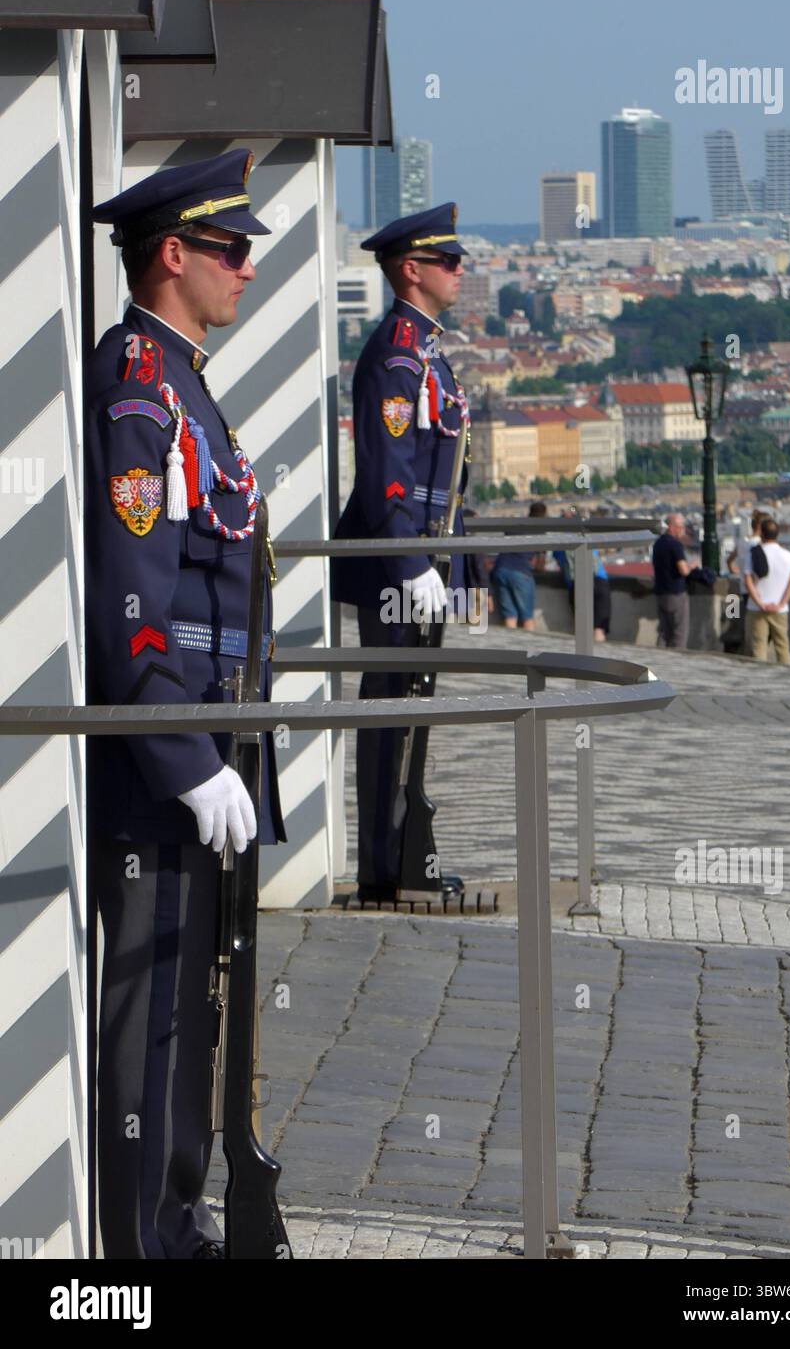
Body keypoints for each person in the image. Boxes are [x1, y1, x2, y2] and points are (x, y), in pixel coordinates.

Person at [87, 149, 285, 1259]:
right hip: (171, 763)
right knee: (153, 1014)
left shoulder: (184, 378)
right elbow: (134, 606)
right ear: (174, 255)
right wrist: (183, 755)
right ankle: (143, 1254)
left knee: (195, 1010)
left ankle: (180, 1220)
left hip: (215, 743)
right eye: (230, 248)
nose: (248, 267)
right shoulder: (139, 388)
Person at [331, 203, 470, 903]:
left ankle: (398, 852)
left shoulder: (425, 352)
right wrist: (411, 564)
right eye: (447, 261)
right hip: (402, 561)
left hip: (424, 556)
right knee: (390, 705)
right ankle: (384, 864)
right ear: (411, 271)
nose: (459, 270)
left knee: (409, 703)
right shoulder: (396, 355)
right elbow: (387, 470)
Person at [743, 517, 790, 664]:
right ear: (777, 534)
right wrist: (782, 603)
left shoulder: (753, 554)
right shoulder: (789, 556)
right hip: (779, 609)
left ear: (761, 534)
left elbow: (748, 580)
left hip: (756, 608)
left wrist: (759, 602)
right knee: (782, 646)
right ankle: (786, 676)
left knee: (758, 646)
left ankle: (760, 677)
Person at [491, 500, 547, 630]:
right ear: (544, 515)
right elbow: (540, 564)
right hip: (520, 573)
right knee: (527, 617)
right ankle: (530, 648)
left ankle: (512, 647)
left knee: (510, 616)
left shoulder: (516, 525)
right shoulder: (540, 531)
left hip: (500, 569)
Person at [726, 509, 770, 652]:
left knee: (748, 624)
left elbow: (729, 560)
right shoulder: (760, 546)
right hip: (761, 590)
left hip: (744, 589)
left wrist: (734, 570)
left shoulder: (742, 542)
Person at [652, 513, 695, 649]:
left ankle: (660, 660)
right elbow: (683, 570)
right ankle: (676, 664)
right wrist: (693, 566)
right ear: (671, 527)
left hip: (661, 592)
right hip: (676, 593)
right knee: (679, 633)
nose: (682, 529)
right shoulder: (675, 545)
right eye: (680, 526)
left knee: (664, 632)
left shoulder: (658, 544)